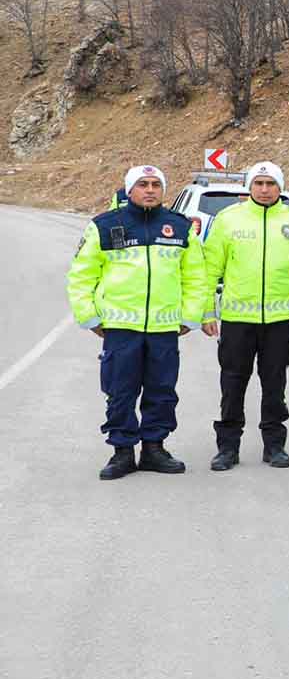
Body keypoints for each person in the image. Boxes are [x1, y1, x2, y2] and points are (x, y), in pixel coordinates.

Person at [68, 165, 208, 480]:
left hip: (163, 329)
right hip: (120, 329)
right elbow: (80, 276)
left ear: (163, 190)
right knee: (120, 390)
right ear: (130, 190)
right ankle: (122, 451)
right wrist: (89, 316)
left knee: (162, 390)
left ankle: (154, 448)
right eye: (142, 184)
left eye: (155, 184)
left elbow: (196, 277)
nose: (149, 190)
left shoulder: (180, 228)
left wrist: (190, 316)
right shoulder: (104, 226)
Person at [201, 160, 289, 471]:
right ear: (249, 187)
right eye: (259, 184)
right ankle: (227, 447)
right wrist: (207, 311)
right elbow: (210, 269)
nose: (264, 190)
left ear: (281, 187)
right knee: (233, 384)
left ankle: (274, 445)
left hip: (280, 321)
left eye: (271, 184)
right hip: (238, 320)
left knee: (274, 384)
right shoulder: (228, 220)